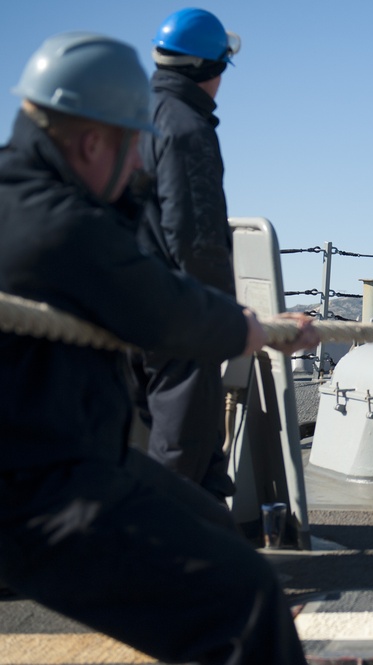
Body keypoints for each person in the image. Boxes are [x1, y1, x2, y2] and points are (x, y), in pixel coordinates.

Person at [0, 33, 317, 664]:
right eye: (130, 146)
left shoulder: (28, 199)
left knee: (208, 521)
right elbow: (159, 304)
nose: (140, 163)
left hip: (62, 449)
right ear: (93, 142)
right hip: (32, 486)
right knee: (246, 601)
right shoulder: (58, 224)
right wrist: (249, 327)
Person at [131, 8, 243, 501]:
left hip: (135, 309)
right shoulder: (188, 130)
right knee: (185, 447)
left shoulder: (137, 116)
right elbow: (195, 241)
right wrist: (223, 320)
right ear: (208, 70)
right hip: (180, 317)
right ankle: (169, 565)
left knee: (155, 441)